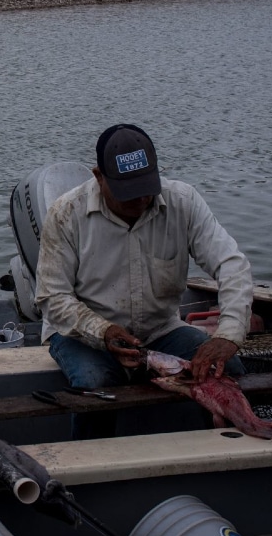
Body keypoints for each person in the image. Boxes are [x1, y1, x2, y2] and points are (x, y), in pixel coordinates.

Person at [34, 124, 254, 437]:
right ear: (99, 177)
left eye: (146, 188)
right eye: (128, 193)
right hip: (80, 335)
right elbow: (52, 297)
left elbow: (231, 264)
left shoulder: (183, 201)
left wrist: (228, 334)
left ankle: (228, 454)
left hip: (160, 330)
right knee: (96, 383)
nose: (140, 200)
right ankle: (93, 471)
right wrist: (103, 331)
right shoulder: (66, 213)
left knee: (226, 371)